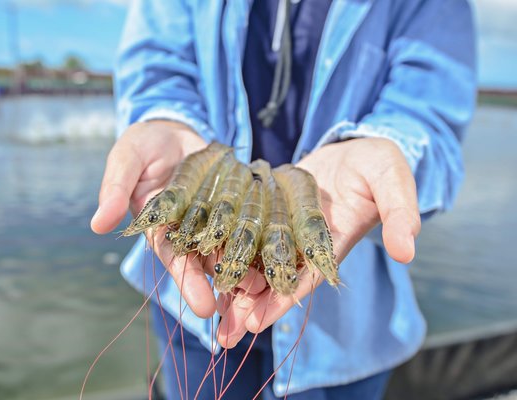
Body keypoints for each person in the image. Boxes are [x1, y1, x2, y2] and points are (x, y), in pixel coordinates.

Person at [91, 0, 476, 398]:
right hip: (189, 320)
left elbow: (431, 114)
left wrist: (389, 146)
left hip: (347, 332)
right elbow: (159, 67)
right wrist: (164, 118)